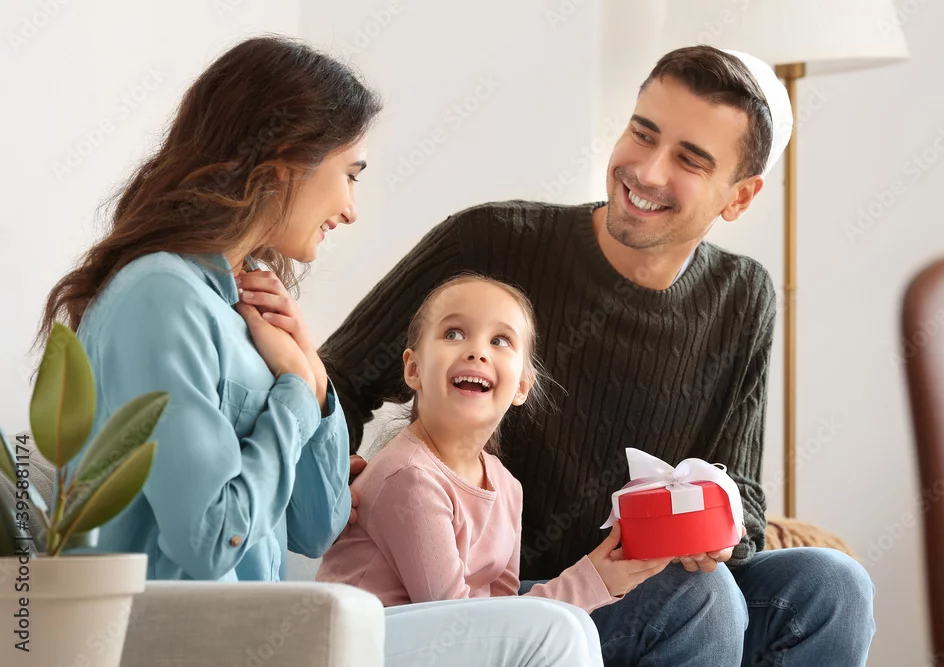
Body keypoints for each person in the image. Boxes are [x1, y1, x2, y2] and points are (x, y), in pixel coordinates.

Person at [38, 34, 603, 667]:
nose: (350, 210)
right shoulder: (160, 297)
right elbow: (212, 538)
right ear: (286, 161)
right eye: (349, 175)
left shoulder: (246, 309)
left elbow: (317, 524)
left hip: (257, 631)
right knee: (551, 633)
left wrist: (311, 374)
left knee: (564, 630)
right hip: (188, 642)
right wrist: (292, 399)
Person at [321, 45, 876, 665]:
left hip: (653, 580)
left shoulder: (744, 296)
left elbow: (740, 493)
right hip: (521, 596)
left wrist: (716, 535)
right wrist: (331, 481)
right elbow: (338, 379)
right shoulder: (489, 242)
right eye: (643, 133)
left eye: (689, 160)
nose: (648, 171)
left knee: (833, 586)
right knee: (701, 595)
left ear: (739, 197)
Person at [319, 274, 675, 665]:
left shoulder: (506, 486)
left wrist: (595, 580)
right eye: (454, 333)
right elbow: (460, 627)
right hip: (361, 651)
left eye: (500, 340)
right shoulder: (408, 477)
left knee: (570, 628)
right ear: (413, 369)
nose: (477, 351)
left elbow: (500, 614)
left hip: (443, 649)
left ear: (522, 386)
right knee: (560, 628)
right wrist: (591, 581)